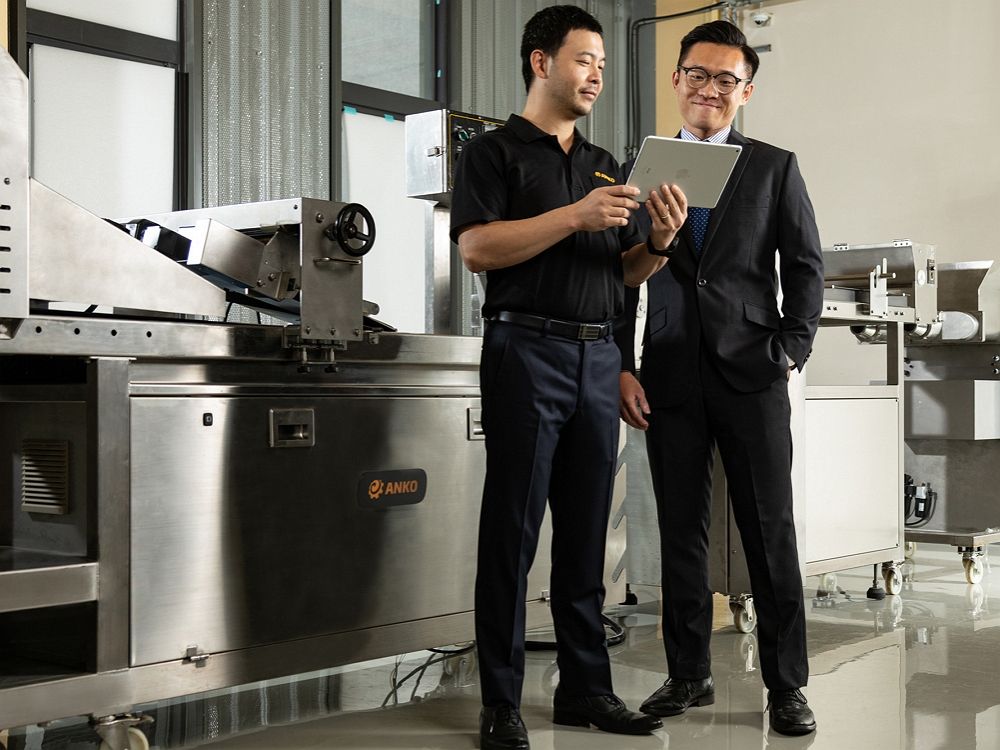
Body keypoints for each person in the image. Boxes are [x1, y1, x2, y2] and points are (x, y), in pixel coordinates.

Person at [450, 6, 688, 750]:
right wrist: (572, 215)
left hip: (595, 359)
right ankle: (502, 701)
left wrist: (660, 241)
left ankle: (588, 690)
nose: (595, 75)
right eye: (584, 60)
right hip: (526, 353)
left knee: (587, 540)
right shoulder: (492, 154)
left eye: (603, 65)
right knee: (513, 532)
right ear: (539, 61)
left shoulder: (606, 162)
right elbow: (479, 250)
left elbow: (623, 275)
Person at [615, 20, 824, 736]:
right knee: (680, 533)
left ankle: (788, 684)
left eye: (726, 80)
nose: (710, 89)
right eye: (698, 75)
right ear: (676, 80)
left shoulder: (773, 166)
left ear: (746, 91)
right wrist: (622, 365)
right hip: (669, 371)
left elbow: (804, 268)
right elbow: (614, 279)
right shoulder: (640, 168)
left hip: (752, 372)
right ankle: (688, 675)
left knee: (772, 532)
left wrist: (790, 349)